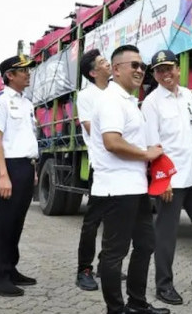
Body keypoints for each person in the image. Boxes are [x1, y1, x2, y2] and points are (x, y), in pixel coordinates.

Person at [141, 50, 192, 306]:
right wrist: (162, 179)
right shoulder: (151, 103)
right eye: (159, 71)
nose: (165, 74)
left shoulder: (188, 94)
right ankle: (163, 285)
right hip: (171, 179)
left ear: (178, 69)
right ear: (154, 75)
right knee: (166, 233)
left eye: (168, 68)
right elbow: (152, 145)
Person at [90, 45, 168, 314]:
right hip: (116, 189)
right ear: (116, 69)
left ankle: (137, 303)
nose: (139, 70)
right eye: (133, 65)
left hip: (135, 187)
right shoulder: (111, 99)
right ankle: (116, 308)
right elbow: (112, 142)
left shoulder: (129, 101)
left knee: (146, 245)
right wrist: (146, 154)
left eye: (141, 66)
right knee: (115, 253)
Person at [0, 55, 39, 297]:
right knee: (4, 224)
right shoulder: (1, 102)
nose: (28, 73)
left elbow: (27, 139)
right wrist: (3, 175)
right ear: (9, 75)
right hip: (9, 167)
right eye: (23, 71)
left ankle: (10, 269)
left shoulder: (26, 103)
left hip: (26, 167)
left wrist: (34, 170)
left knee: (17, 222)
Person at [74, 49, 112, 291]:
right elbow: (91, 129)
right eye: (102, 62)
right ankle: (83, 270)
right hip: (101, 165)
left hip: (120, 168)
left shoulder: (115, 93)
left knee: (114, 222)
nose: (108, 64)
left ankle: (106, 266)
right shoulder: (87, 96)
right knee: (92, 222)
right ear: (92, 72)